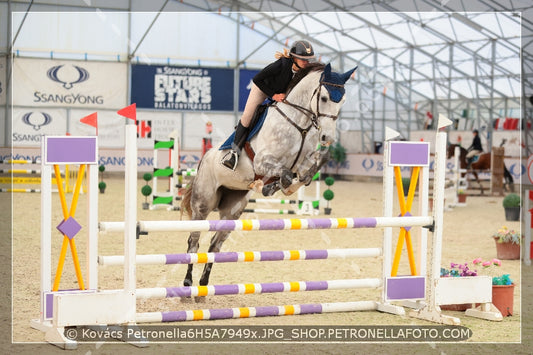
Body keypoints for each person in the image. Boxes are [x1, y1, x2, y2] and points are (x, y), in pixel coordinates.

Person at [221, 40, 315, 170]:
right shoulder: (281, 65)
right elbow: (257, 79)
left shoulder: (304, 71)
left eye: (308, 59)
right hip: (262, 88)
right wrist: (274, 95)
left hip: (281, 92)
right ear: (294, 57)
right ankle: (234, 154)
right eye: (302, 59)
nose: (306, 62)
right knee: (247, 118)